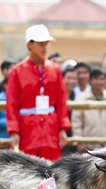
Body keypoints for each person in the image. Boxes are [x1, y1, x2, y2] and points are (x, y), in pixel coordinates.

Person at [6, 24, 71, 161]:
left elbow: (61, 101)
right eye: (41, 43)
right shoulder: (17, 71)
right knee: (27, 171)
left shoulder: (55, 70)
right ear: (30, 44)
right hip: (27, 131)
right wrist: (14, 131)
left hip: (50, 129)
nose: (45, 47)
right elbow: (11, 103)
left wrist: (63, 129)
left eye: (47, 43)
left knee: (51, 170)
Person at [72, 68, 106, 152]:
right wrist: (80, 142)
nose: (98, 82)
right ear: (90, 80)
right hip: (87, 146)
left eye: (101, 79)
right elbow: (76, 123)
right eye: (96, 79)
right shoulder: (80, 98)